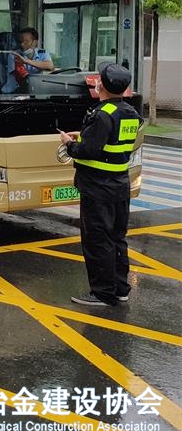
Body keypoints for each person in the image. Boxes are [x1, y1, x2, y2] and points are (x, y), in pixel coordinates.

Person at [60, 64, 140, 307]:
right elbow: (110, 143)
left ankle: (103, 293)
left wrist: (69, 144)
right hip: (119, 186)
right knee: (117, 239)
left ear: (101, 85)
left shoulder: (102, 114)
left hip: (98, 188)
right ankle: (120, 288)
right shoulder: (130, 112)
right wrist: (87, 135)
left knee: (98, 240)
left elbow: (88, 152)